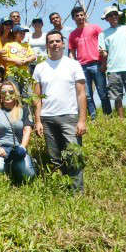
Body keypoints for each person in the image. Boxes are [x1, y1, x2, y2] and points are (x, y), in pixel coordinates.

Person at [33, 30, 87, 192]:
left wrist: (82, 120)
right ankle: (60, 191)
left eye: (57, 41)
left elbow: (81, 93)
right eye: (51, 42)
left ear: (63, 43)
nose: (55, 44)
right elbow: (36, 97)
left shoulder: (73, 64)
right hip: (47, 118)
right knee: (54, 158)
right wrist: (37, 121)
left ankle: (77, 193)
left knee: (74, 155)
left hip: (69, 117)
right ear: (47, 45)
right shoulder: (40, 68)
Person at [0, 80, 36, 183]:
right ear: (0, 95)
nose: (7, 94)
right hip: (1, 148)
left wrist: (23, 147)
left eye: (11, 91)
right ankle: (6, 175)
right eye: (4, 92)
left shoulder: (24, 110)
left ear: (16, 93)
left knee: (29, 175)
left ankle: (15, 167)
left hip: (18, 149)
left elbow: (27, 130)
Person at [68, 6, 111, 119]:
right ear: (73, 18)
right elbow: (72, 52)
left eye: (81, 15)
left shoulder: (95, 28)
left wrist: (104, 63)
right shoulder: (73, 34)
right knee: (87, 95)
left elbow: (104, 45)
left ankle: (108, 116)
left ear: (85, 15)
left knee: (102, 92)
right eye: (77, 16)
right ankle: (93, 117)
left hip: (96, 64)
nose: (80, 17)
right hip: (82, 67)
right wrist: (72, 65)